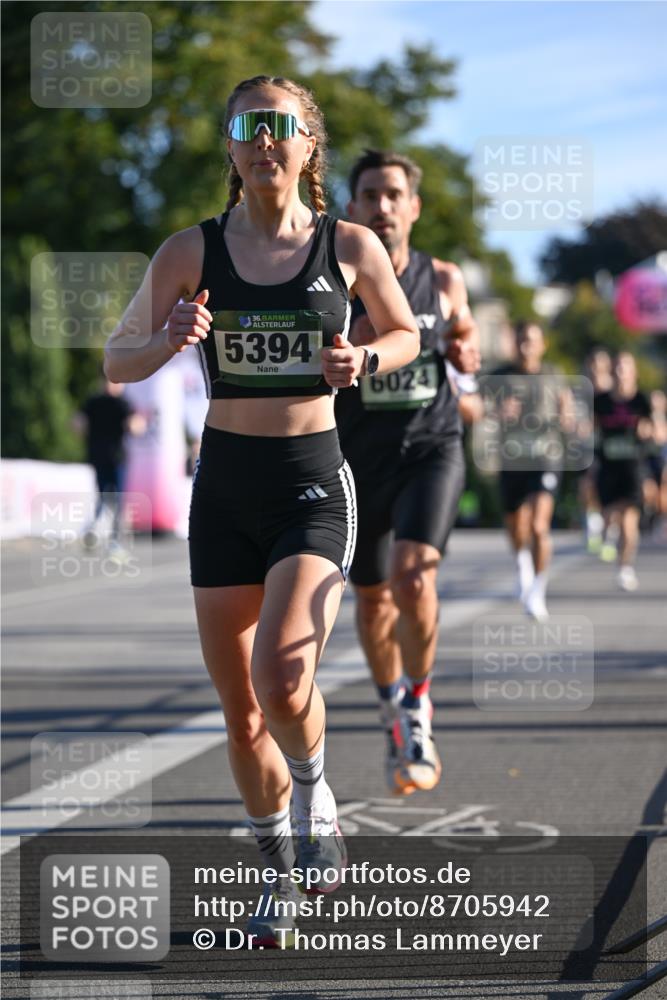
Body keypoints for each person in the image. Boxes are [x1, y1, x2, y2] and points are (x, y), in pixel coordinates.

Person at [104, 77, 419, 947]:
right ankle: (276, 869)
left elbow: (405, 333)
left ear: (307, 145)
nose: (263, 141)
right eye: (247, 125)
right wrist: (164, 340)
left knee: (284, 679)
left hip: (312, 481)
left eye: (280, 126)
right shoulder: (189, 250)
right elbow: (114, 361)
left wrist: (366, 357)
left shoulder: (349, 244)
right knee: (241, 711)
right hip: (225, 488)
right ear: (231, 146)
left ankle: (318, 799)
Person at [335, 150, 480, 796]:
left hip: (431, 447)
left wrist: (465, 344)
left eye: (394, 194)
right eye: (370, 195)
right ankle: (389, 700)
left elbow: (465, 338)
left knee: (414, 579)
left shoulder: (443, 278)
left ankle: (417, 704)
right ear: (352, 208)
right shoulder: (332, 284)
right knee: (371, 600)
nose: (383, 206)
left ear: (413, 207)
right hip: (358, 457)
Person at [493, 321, 573, 623]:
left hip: (545, 456)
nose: (527, 345)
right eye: (522, 339)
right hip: (512, 457)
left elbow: (567, 408)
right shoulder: (500, 376)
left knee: (539, 526)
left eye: (533, 340)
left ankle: (537, 590)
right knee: (516, 525)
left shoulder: (554, 375)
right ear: (515, 343)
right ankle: (522, 562)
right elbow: (480, 410)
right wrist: (498, 412)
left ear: (543, 345)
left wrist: (567, 417)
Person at [594, 352, 653, 591]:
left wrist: (649, 431)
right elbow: (589, 429)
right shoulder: (601, 401)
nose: (620, 373)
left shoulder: (642, 400)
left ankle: (624, 567)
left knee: (630, 522)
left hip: (633, 467)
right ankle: (607, 532)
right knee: (610, 516)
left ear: (633, 373)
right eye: (616, 368)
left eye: (625, 368)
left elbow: (655, 428)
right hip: (607, 467)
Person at [73, 376, 144, 557]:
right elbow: (78, 423)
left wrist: (135, 424)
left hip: (116, 458)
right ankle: (101, 532)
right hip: (101, 457)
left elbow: (136, 426)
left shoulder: (123, 404)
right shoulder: (95, 402)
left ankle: (111, 537)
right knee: (105, 496)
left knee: (115, 499)